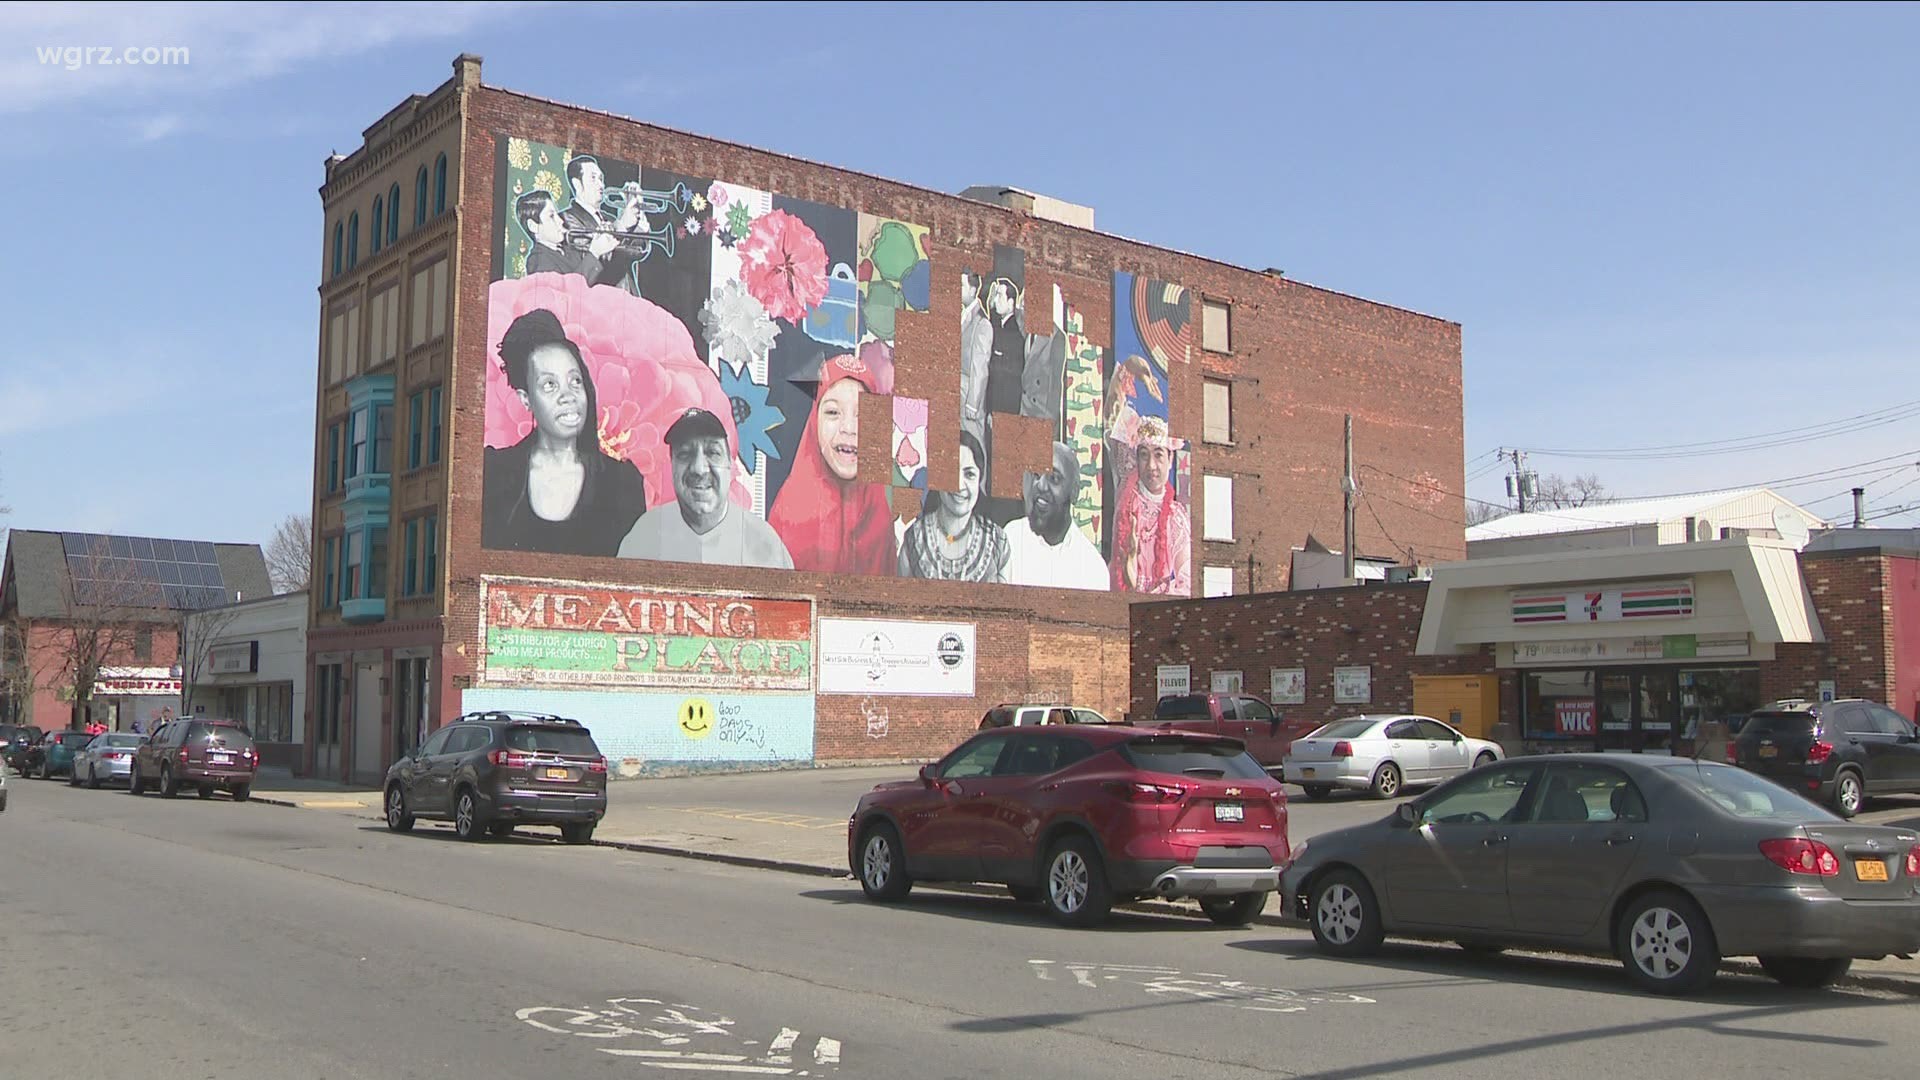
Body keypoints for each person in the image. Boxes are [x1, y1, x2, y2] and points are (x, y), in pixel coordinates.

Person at [482, 308, 648, 556]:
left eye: (575, 381)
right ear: (525, 399)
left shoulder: (622, 482)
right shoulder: (492, 472)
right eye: (550, 385)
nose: (567, 396)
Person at [768, 353, 896, 575]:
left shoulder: (880, 516)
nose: (849, 428)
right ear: (814, 422)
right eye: (833, 412)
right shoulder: (787, 512)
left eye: (863, 414)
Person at [618, 407, 795, 568]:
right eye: (685, 454)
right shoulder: (643, 536)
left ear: (730, 464)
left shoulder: (765, 545)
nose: (699, 469)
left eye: (712, 453)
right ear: (672, 465)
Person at [898, 430, 1009, 582]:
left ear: (979, 481)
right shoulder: (914, 540)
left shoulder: (998, 542)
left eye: (969, 474)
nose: (959, 485)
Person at [1004, 441, 1108, 590]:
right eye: (1037, 475)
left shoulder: (1092, 568)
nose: (1040, 485)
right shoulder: (1011, 538)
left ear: (1075, 492)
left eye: (1054, 478)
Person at [1110, 417, 1192, 595]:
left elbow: (1187, 582)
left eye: (1158, 455)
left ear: (1170, 460)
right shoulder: (1126, 496)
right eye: (1144, 455)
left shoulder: (1176, 517)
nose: (1151, 466)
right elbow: (1115, 422)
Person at [561, 155, 643, 288]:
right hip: (602, 299)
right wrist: (622, 225)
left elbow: (637, 250)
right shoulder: (566, 219)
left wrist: (639, 211)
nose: (601, 185)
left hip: (627, 297)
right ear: (577, 184)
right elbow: (598, 257)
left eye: (601, 179)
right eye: (593, 178)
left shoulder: (609, 218)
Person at [517, 189, 603, 280]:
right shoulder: (537, 261)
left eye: (557, 214)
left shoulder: (568, 248)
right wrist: (595, 253)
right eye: (551, 216)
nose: (561, 221)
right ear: (533, 226)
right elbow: (567, 291)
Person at [958, 270, 992, 442]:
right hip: (959, 396)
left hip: (969, 400)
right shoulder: (963, 315)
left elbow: (980, 366)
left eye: (961, 285)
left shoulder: (982, 323)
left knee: (974, 443)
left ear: (972, 290)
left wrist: (973, 403)